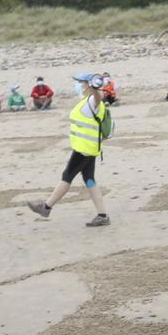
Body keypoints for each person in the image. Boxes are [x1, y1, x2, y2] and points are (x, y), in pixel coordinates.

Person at [27, 80, 112, 228]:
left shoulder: (93, 99)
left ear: (88, 85)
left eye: (81, 83)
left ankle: (46, 207)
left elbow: (99, 96)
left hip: (84, 149)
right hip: (88, 147)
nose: (79, 85)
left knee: (67, 176)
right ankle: (102, 215)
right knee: (89, 179)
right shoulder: (87, 100)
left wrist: (95, 87)